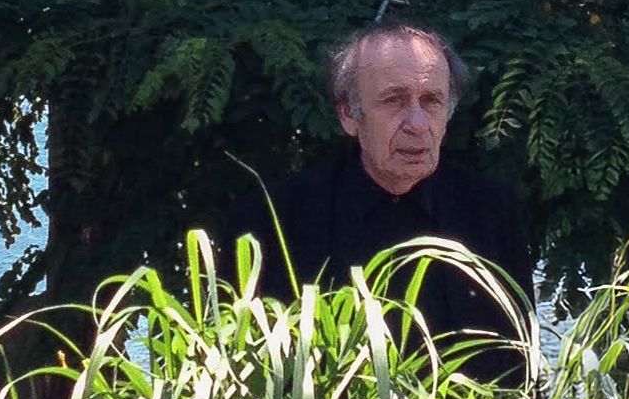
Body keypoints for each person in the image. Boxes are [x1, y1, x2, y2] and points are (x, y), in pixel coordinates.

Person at [220, 22, 535, 380]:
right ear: (349, 116)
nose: (417, 123)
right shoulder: (272, 221)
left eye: (431, 101)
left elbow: (519, 375)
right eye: (394, 101)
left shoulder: (492, 213)